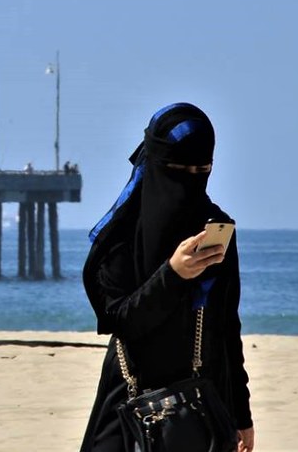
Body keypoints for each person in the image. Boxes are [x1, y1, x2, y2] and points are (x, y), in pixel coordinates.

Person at [80, 103, 255, 452]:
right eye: (179, 169)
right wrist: (173, 275)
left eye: (202, 169)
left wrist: (242, 415)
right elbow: (120, 320)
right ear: (156, 164)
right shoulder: (121, 235)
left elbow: (226, 327)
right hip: (129, 405)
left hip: (204, 408)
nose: (191, 178)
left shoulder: (214, 227)